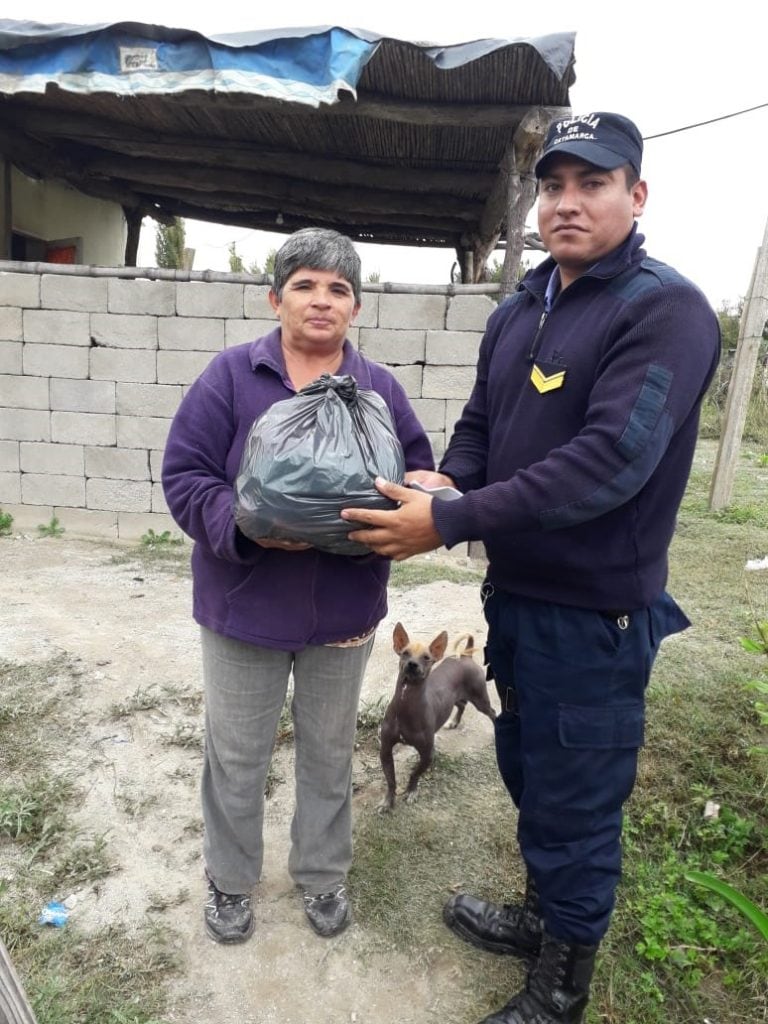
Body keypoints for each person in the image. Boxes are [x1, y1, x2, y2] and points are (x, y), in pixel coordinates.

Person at [341, 113, 720, 1023]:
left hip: (594, 619)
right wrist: (450, 476)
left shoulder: (664, 311)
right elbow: (480, 425)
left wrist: (453, 518)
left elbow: (610, 462)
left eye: (593, 183)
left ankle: (560, 988)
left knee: (578, 803)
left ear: (637, 195)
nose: (567, 203)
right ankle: (541, 918)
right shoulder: (520, 310)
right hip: (516, 599)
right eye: (553, 186)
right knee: (529, 770)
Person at [161, 227, 434, 944]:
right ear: (274, 297)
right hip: (242, 609)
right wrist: (244, 528)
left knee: (327, 751)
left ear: (357, 307)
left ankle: (321, 874)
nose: (322, 300)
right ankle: (230, 879)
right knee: (238, 754)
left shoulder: (377, 392)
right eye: (305, 285)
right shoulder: (230, 377)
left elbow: (415, 472)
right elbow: (185, 477)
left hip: (342, 614)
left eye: (338, 288)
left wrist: (423, 503)